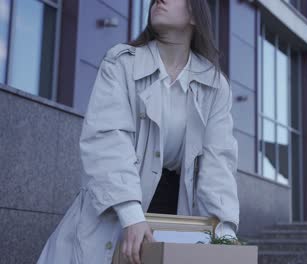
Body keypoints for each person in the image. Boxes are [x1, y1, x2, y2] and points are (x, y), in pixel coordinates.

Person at [36, 0, 240, 263]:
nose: (158, 0)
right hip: (117, 208)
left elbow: (219, 162)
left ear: (195, 15)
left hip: (176, 216)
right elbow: (108, 138)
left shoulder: (215, 85)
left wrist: (223, 231)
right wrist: (131, 214)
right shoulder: (121, 62)